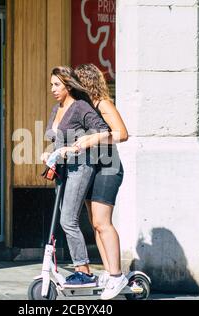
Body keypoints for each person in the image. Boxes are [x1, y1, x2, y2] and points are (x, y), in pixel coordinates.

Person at [41, 66, 110, 288]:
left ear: (68, 85)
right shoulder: (57, 108)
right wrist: (49, 152)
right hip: (61, 169)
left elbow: (103, 130)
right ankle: (82, 270)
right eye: (51, 84)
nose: (52, 89)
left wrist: (77, 147)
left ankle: (83, 271)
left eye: (57, 84)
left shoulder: (80, 107)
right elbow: (56, 138)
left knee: (67, 220)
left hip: (80, 167)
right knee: (64, 218)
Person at [74, 63, 129, 300]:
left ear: (86, 82)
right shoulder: (83, 107)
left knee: (102, 222)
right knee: (95, 223)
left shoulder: (103, 104)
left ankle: (117, 276)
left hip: (108, 168)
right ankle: (109, 272)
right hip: (91, 169)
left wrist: (95, 138)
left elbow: (122, 134)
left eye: (75, 82)